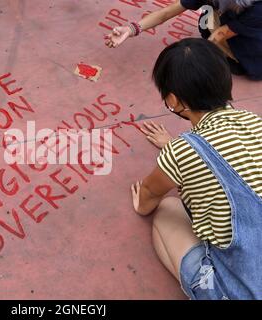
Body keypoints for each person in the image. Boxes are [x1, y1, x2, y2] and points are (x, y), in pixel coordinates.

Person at [130, 38, 262, 299]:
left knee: (167, 209)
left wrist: (142, 198)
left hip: (246, 289)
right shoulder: (254, 121)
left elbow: (147, 200)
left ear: (173, 99)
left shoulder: (179, 152)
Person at [105, 0, 262, 80]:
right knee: (208, 20)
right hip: (229, 21)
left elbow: (220, 35)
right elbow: (166, 13)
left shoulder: (257, 8)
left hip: (251, 45)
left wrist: (193, 60)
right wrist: (131, 29)